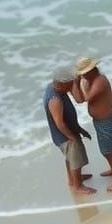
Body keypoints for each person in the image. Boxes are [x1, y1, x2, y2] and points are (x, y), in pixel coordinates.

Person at [73, 56, 112, 192]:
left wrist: (76, 83)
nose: (83, 76)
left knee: (108, 150)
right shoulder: (89, 81)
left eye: (83, 73)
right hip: (99, 120)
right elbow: (79, 100)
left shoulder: (99, 81)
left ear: (90, 70)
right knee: (107, 149)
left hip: (106, 121)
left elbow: (86, 98)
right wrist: (77, 82)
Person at [43, 65, 95, 196]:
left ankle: (73, 179)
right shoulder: (55, 99)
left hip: (67, 133)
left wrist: (80, 130)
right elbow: (59, 123)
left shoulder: (56, 88)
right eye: (69, 84)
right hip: (64, 136)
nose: (72, 86)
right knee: (75, 159)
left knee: (70, 159)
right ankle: (78, 186)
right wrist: (72, 137)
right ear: (60, 84)